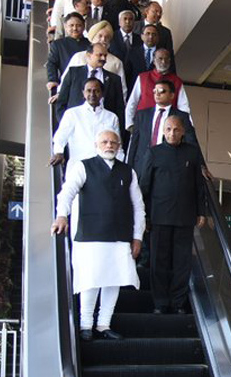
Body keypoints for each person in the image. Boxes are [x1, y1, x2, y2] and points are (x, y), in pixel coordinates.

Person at [51, 130, 144, 341]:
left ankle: (104, 324)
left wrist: (137, 236)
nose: (109, 145)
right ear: (96, 144)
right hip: (91, 234)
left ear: (120, 146)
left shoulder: (128, 171)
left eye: (113, 142)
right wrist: (61, 216)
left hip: (120, 236)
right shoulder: (83, 166)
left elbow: (138, 206)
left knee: (114, 280)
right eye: (104, 142)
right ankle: (85, 325)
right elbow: (67, 192)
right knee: (91, 280)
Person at [140, 116, 207, 315]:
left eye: (176, 130)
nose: (172, 133)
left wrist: (201, 211)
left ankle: (178, 302)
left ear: (183, 131)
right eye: (168, 129)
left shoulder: (193, 153)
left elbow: (198, 185)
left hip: (185, 217)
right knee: (158, 262)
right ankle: (160, 302)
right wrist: (144, 216)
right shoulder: (154, 152)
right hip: (159, 217)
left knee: (182, 262)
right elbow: (145, 185)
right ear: (162, 131)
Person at [128, 79, 200, 177]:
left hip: (167, 166)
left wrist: (201, 166)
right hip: (141, 165)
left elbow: (191, 142)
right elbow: (134, 143)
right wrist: (129, 167)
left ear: (172, 95)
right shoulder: (142, 115)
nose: (157, 94)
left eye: (161, 91)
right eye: (155, 91)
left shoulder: (182, 116)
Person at [51, 77, 123, 168]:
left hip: (105, 168)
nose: (92, 94)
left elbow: (117, 144)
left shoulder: (111, 117)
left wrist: (120, 165)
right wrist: (58, 152)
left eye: (96, 91)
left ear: (102, 93)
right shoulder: (72, 114)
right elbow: (60, 137)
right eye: (89, 91)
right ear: (83, 93)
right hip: (78, 166)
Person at [55, 44, 126, 121]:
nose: (103, 58)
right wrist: (65, 123)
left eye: (105, 56)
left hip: (104, 125)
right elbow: (61, 102)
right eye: (100, 55)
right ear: (89, 55)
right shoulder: (73, 73)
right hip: (77, 124)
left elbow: (119, 109)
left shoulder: (114, 79)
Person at [125, 48, 191, 129]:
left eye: (166, 59)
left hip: (167, 127)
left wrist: (186, 127)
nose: (163, 62)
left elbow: (184, 107)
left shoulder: (176, 81)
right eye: (160, 58)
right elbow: (132, 102)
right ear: (154, 61)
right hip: (142, 124)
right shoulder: (143, 77)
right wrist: (130, 125)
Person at [46, 12, 89, 96]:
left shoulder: (90, 45)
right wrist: (52, 80)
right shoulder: (58, 44)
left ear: (84, 26)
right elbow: (51, 63)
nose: (75, 28)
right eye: (71, 25)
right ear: (65, 27)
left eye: (78, 25)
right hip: (66, 84)